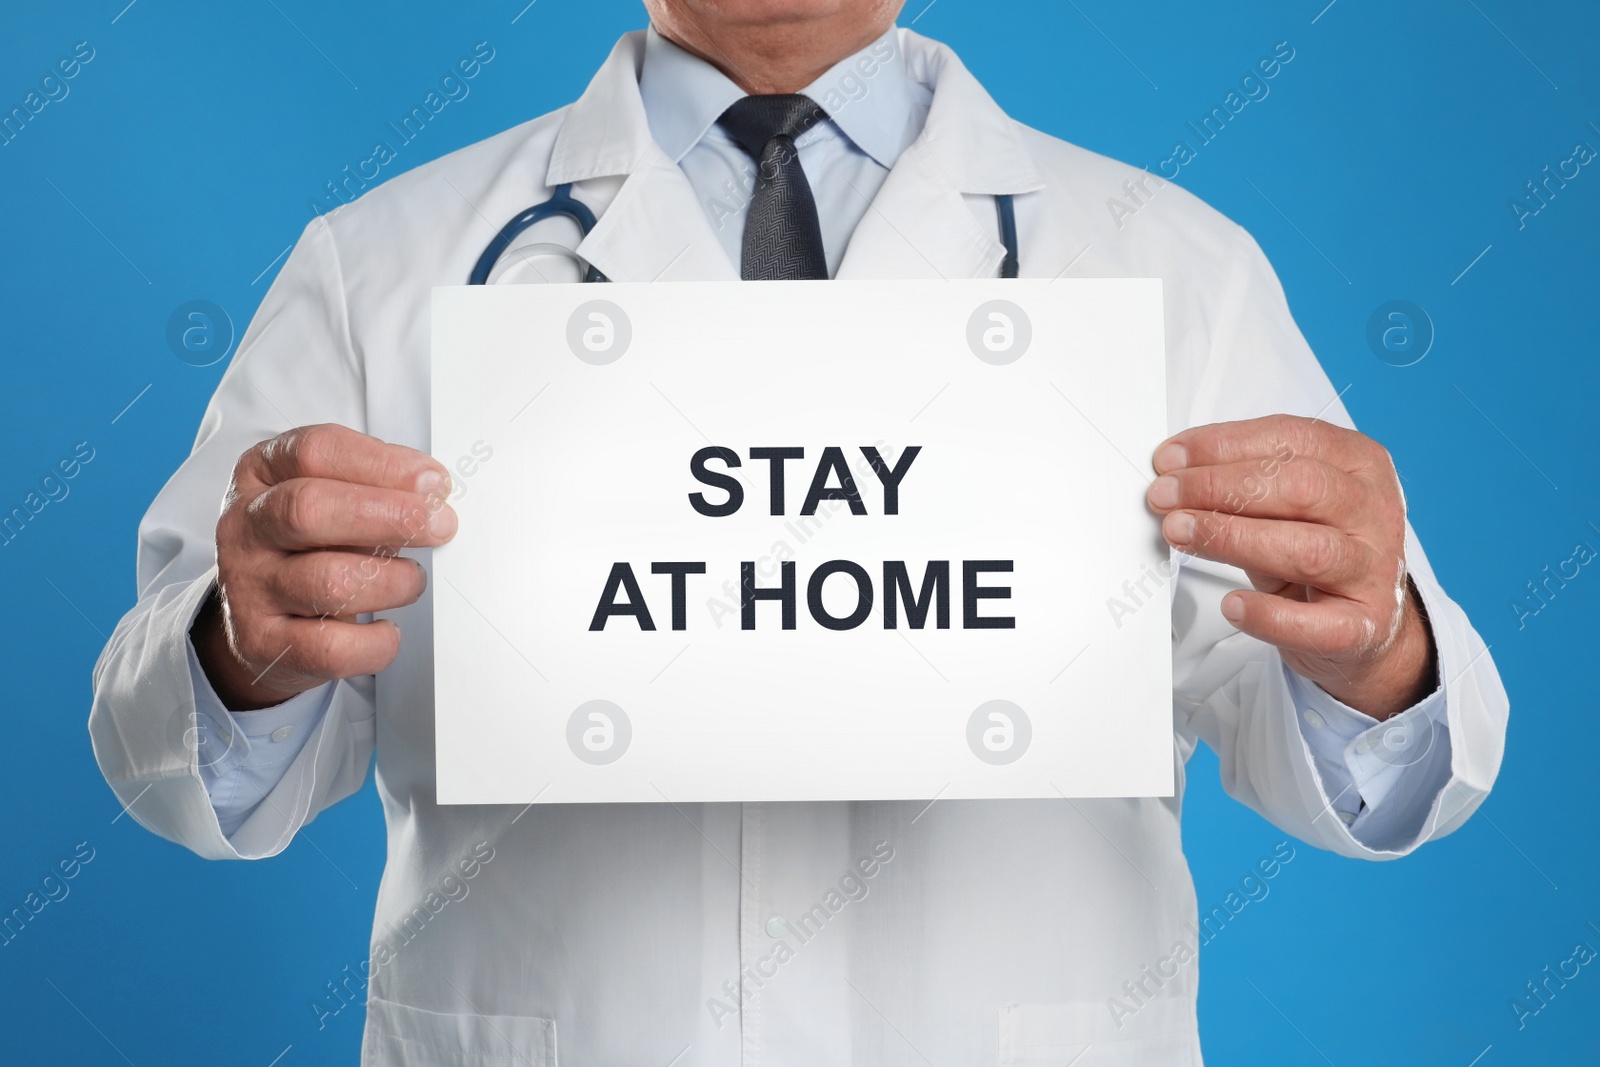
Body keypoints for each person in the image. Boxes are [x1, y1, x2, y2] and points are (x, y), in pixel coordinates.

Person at [88, 1, 1508, 1063]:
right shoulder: (384, 267)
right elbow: (175, 754)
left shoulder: (1167, 264)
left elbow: (1387, 770)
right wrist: (239, 647)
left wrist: (1370, 644)